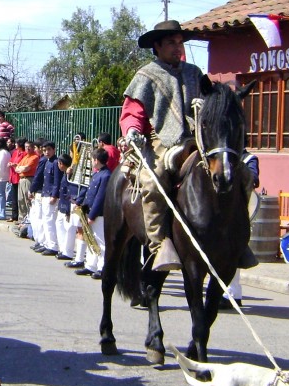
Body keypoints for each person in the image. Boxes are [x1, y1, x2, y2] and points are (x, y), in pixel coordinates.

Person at [119, 19, 208, 272]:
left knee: (228, 172)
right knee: (153, 180)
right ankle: (159, 245)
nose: (177, 47)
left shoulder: (195, 73)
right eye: (171, 42)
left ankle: (235, 240)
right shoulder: (146, 75)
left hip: (197, 139)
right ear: (156, 46)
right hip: (161, 141)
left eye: (179, 42)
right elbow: (132, 112)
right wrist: (133, 131)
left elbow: (210, 99)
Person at [222, 148, 260, 310]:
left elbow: (253, 179)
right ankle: (224, 292)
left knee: (232, 253)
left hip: (238, 210)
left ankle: (232, 294)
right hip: (221, 208)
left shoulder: (249, 158)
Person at [76, 147, 111, 279]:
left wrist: (92, 215)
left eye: (92, 159)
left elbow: (100, 198)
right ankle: (90, 265)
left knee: (100, 241)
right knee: (91, 241)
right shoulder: (98, 173)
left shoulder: (106, 175)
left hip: (99, 214)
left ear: (96, 160)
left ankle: (102, 268)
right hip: (90, 211)